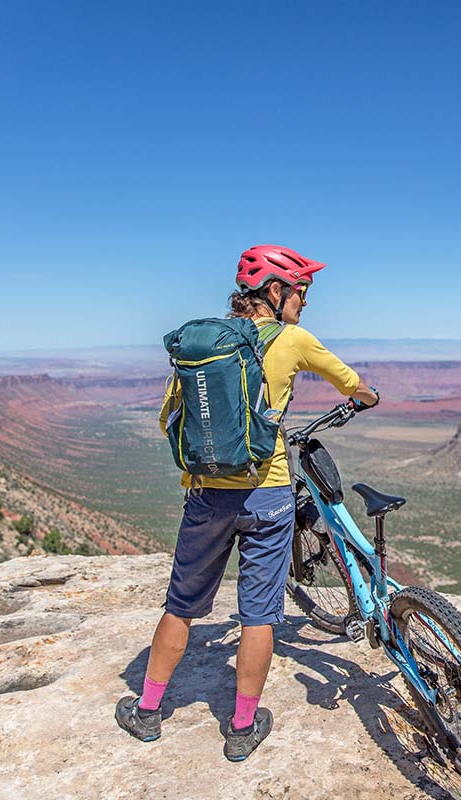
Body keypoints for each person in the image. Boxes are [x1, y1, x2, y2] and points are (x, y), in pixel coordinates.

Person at [115, 244, 379, 761]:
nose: (304, 303)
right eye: (301, 292)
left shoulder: (207, 346)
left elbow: (169, 415)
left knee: (182, 606)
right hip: (269, 494)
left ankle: (147, 712)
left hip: (207, 495)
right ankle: (241, 726)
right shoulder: (293, 339)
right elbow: (349, 382)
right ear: (276, 292)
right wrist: (367, 397)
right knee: (258, 614)